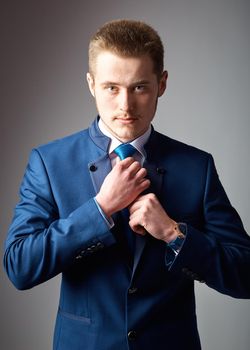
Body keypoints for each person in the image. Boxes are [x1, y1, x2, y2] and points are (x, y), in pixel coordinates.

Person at [4, 19, 250, 350]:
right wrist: (100, 209)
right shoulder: (49, 163)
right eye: (111, 88)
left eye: (139, 87)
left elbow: (245, 274)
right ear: (91, 84)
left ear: (161, 84)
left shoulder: (197, 167)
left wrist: (173, 234)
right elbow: (19, 266)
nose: (125, 106)